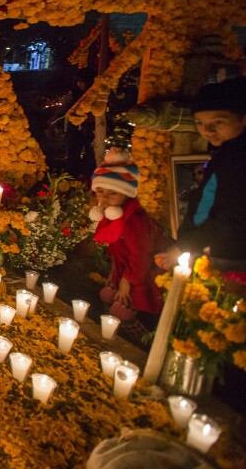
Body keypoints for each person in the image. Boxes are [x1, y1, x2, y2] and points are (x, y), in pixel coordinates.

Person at [156, 77, 246, 276]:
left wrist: (187, 244)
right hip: (219, 250)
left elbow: (230, 215)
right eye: (200, 123)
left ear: (243, 118)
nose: (208, 130)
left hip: (235, 258)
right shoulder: (224, 154)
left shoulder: (238, 160)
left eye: (218, 121)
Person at [90, 149, 167, 344]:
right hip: (126, 271)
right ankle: (114, 339)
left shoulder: (134, 220)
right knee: (112, 299)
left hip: (142, 276)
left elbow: (141, 255)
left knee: (126, 308)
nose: (105, 198)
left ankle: (140, 347)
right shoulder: (114, 214)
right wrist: (114, 276)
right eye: (100, 191)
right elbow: (117, 251)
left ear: (126, 192)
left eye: (112, 193)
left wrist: (126, 281)